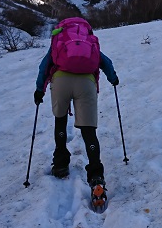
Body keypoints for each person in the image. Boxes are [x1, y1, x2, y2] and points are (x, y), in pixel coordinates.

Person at [34, 18, 118, 189]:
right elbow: (106, 62)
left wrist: (39, 90)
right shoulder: (89, 43)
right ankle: (96, 176)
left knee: (60, 121)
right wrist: (113, 78)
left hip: (61, 81)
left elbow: (44, 66)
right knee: (89, 131)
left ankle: (60, 165)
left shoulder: (60, 41)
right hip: (86, 83)